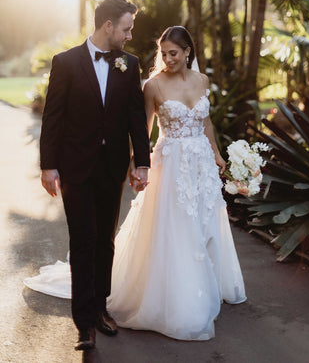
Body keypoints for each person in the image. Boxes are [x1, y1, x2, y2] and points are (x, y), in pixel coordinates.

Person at [25, 25, 246, 342]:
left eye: (174, 53)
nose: (168, 59)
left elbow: (206, 120)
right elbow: (141, 128)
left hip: (201, 165)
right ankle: (179, 295)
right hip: (170, 165)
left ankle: (208, 284)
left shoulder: (203, 81)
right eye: (164, 53)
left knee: (205, 222)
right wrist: (133, 162)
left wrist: (217, 154)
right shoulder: (153, 86)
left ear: (188, 52)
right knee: (177, 228)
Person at [37, 0, 150, 351]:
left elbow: (135, 116)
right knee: (83, 241)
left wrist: (142, 162)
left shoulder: (129, 65)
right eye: (127, 28)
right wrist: (48, 164)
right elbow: (52, 116)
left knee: (105, 241)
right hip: (75, 167)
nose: (130, 35)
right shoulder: (66, 62)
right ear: (108, 26)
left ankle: (101, 309)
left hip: (111, 166)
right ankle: (83, 324)